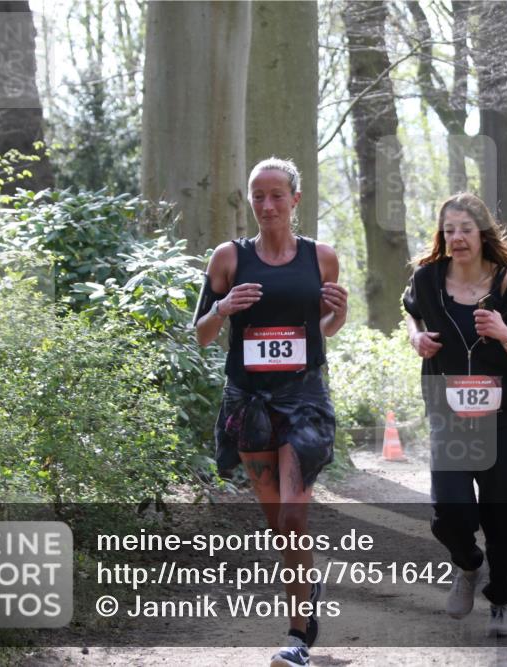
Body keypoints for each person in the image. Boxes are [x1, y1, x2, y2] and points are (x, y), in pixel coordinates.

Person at [194, 158, 348, 667]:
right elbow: (202, 334)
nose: (267, 205)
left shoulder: (321, 258)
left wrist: (340, 313)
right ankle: (307, 586)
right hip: (250, 402)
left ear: (295, 199)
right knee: (280, 524)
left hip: (304, 399)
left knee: (293, 514)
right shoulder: (228, 258)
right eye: (258, 196)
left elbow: (322, 330)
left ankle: (298, 636)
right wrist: (223, 309)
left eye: (277, 195)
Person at [403, 192, 507, 637]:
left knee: (502, 516)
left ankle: (501, 599)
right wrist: (416, 337)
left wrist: (503, 333)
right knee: (449, 511)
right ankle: (467, 565)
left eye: (465, 229)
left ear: (482, 234)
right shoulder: (427, 279)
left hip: (500, 414)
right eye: (449, 230)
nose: (457, 238)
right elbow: (412, 313)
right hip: (449, 411)